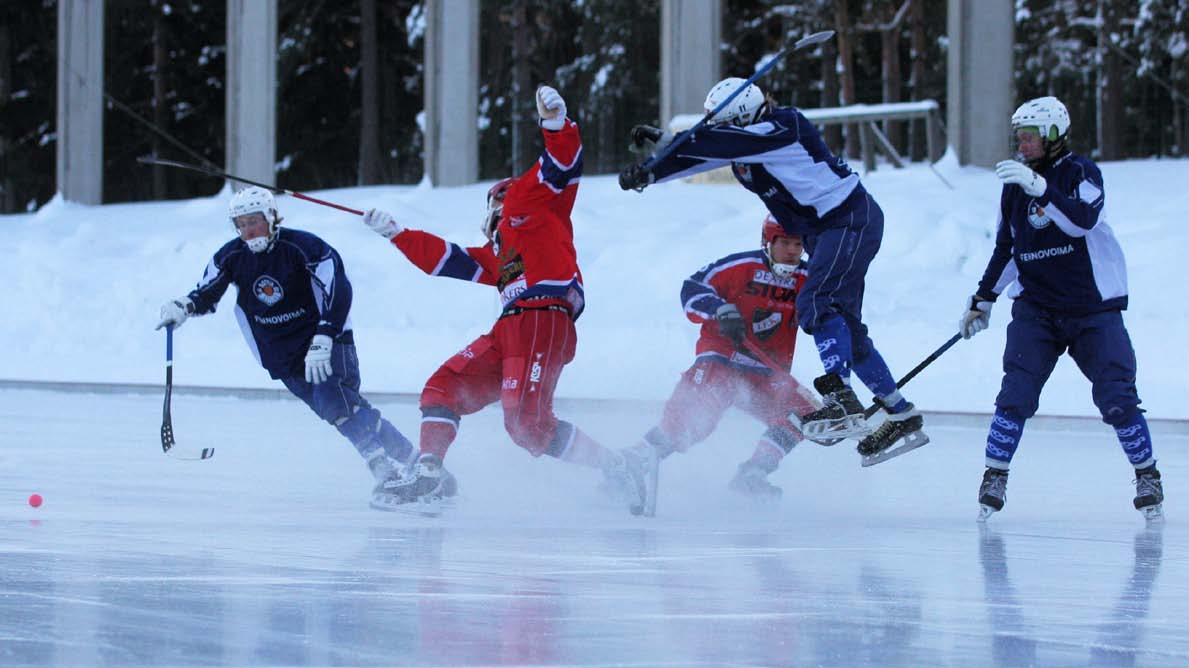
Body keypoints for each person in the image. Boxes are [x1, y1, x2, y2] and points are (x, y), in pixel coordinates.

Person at [361, 85, 650, 514]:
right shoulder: (500, 254)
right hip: (511, 327)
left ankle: (617, 465)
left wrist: (555, 124)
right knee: (443, 388)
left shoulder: (530, 202)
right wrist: (397, 234)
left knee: (527, 424)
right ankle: (428, 474)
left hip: (542, 316)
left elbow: (563, 168)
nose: (492, 212)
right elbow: (446, 260)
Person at [619, 78, 928, 465]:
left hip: (849, 220)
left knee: (815, 303)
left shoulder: (784, 126)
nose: (720, 131)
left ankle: (841, 400)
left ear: (745, 116)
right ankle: (899, 412)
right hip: (824, 230)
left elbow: (719, 144)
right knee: (846, 327)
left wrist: (672, 140)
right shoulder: (742, 144)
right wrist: (651, 172)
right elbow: (704, 155)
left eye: (727, 124)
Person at [960, 96, 1163, 521]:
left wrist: (1042, 189)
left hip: (1092, 310)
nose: (1023, 145)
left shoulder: (1081, 172)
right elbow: (1008, 246)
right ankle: (995, 475)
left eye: (1030, 137)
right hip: (1037, 310)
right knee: (1015, 393)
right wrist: (983, 298)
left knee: (1117, 397)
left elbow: (1081, 221)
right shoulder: (1015, 185)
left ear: (1054, 135)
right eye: (1019, 137)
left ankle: (1147, 475)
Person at [154, 186, 415, 494]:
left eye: (254, 221)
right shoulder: (231, 256)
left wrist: (325, 334)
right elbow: (207, 293)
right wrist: (184, 306)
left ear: (271, 217)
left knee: (337, 406)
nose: (249, 231)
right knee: (351, 412)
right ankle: (417, 462)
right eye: (242, 224)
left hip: (326, 343)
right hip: (284, 357)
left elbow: (339, 289)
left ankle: (384, 471)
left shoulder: (304, 247)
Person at [619, 214, 819, 499]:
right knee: (692, 422)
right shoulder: (740, 266)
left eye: (798, 244)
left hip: (766, 373)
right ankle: (629, 465)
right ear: (767, 242)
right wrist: (718, 309)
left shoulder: (810, 278)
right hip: (722, 361)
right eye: (785, 242)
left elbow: (832, 310)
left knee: (803, 414)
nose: (792, 250)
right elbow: (693, 288)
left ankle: (753, 474)